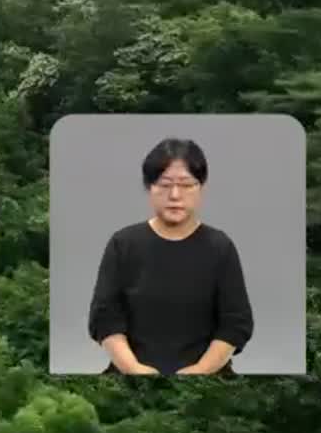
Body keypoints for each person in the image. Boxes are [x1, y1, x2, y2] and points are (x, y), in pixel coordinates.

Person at [87, 137, 254, 376]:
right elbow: (105, 318)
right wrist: (134, 369)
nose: (175, 195)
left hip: (208, 381)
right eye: (164, 185)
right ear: (149, 187)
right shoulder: (123, 244)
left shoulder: (220, 247)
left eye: (186, 185)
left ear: (201, 188)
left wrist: (199, 372)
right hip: (130, 376)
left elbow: (236, 324)